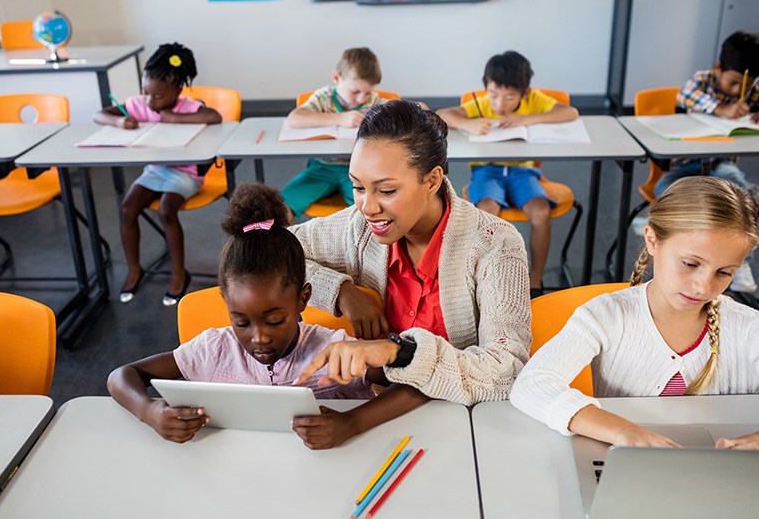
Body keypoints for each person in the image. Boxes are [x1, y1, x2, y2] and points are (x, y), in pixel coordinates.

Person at [108, 183, 425, 448]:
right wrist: (149, 411)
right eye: (241, 322)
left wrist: (352, 422)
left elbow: (418, 383)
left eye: (275, 320)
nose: (258, 337)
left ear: (303, 299)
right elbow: (122, 376)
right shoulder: (213, 350)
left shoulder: (332, 352)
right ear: (226, 304)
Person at [291, 99, 531, 408]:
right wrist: (341, 292)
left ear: (432, 181)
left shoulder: (494, 243)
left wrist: (398, 353)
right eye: (358, 187)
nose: (368, 207)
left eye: (387, 191)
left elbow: (508, 370)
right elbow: (263, 254)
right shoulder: (357, 226)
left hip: (463, 419)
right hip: (374, 410)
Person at [510, 176, 759, 450]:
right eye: (690, 264)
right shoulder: (607, 315)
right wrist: (622, 432)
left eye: (724, 272)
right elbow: (532, 384)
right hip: (626, 462)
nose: (704, 286)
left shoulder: (749, 329)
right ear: (652, 241)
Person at [437, 51, 579, 298]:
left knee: (541, 212)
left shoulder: (533, 100)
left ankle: (535, 281)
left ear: (524, 93)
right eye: (493, 95)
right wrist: (468, 123)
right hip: (487, 171)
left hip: (523, 172)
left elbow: (570, 113)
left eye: (509, 97)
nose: (499, 104)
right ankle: (483, 276)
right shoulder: (481, 104)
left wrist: (526, 118)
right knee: (486, 211)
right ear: (486, 89)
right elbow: (442, 115)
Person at [94, 43, 222, 306]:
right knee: (127, 209)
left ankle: (178, 273)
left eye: (158, 97)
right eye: (145, 93)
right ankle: (134, 269)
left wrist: (174, 118)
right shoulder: (139, 105)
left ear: (177, 89)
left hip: (186, 173)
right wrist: (119, 121)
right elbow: (99, 114)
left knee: (166, 210)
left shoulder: (188, 106)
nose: (150, 102)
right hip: (155, 170)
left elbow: (215, 116)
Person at [661, 31, 759, 292]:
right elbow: (686, 96)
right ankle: (677, 258)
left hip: (720, 166)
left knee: (742, 195)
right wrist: (720, 108)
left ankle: (739, 261)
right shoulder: (701, 81)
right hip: (686, 166)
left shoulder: (753, 91)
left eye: (747, 87)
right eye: (734, 83)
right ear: (718, 69)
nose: (740, 92)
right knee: (664, 192)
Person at [281, 47, 388, 220]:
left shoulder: (375, 101)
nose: (362, 99)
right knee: (280, 209)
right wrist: (338, 118)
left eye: (367, 92)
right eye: (355, 92)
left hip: (360, 172)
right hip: (322, 168)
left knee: (373, 213)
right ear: (337, 78)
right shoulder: (324, 97)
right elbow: (294, 118)